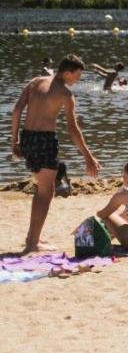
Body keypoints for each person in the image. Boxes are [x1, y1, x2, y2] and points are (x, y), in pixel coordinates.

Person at [10, 54, 101, 253]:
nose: (77, 80)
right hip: (44, 141)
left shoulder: (35, 82)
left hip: (27, 138)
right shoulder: (65, 94)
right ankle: (33, 243)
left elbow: (16, 111)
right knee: (46, 192)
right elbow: (73, 130)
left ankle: (33, 237)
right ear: (67, 72)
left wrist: (14, 140)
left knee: (43, 189)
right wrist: (88, 156)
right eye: (76, 76)